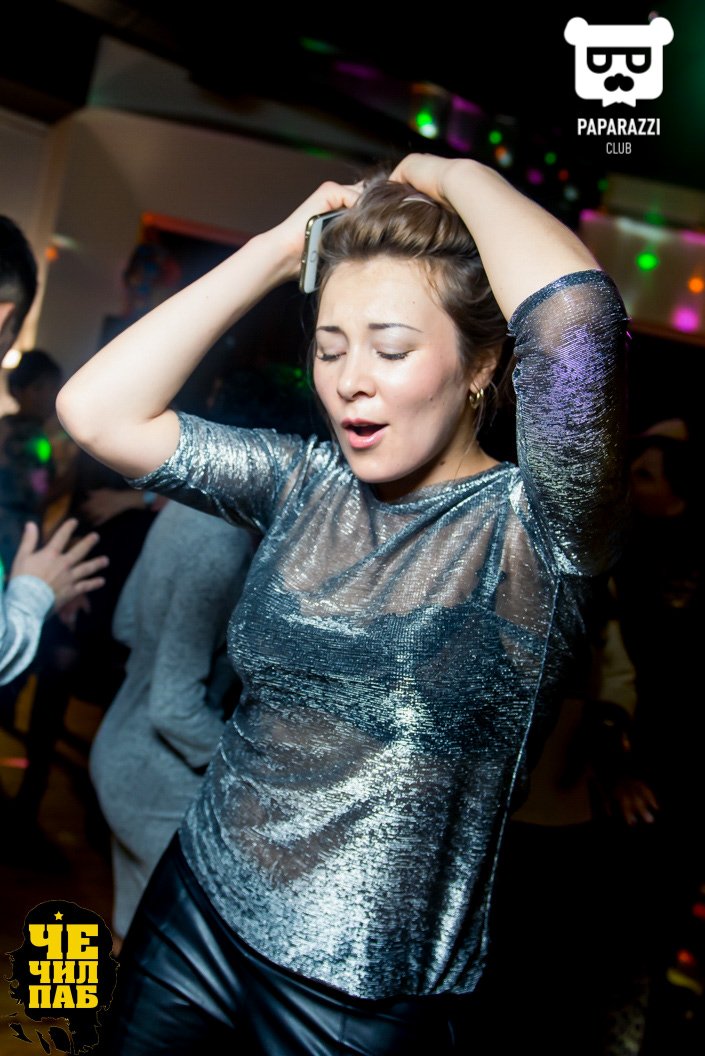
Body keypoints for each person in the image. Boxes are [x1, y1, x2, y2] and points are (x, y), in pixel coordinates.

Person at [55, 153, 629, 1054]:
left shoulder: (540, 530)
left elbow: (574, 320)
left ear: (482, 363)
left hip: (363, 998)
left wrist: (447, 172)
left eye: (390, 349)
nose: (349, 379)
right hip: (194, 907)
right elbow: (97, 411)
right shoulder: (302, 482)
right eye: (329, 349)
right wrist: (277, 250)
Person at [89, 499, 257, 951]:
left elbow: (126, 624)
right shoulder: (222, 543)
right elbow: (173, 707)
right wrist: (247, 771)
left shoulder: (180, 510)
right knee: (182, 951)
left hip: (118, 748)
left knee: (135, 935)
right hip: (161, 777)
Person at [1, 215, 108, 691]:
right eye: (47, 388)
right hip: (13, 537)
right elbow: (41, 491)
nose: (51, 397)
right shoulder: (33, 439)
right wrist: (36, 593)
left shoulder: (8, 427)